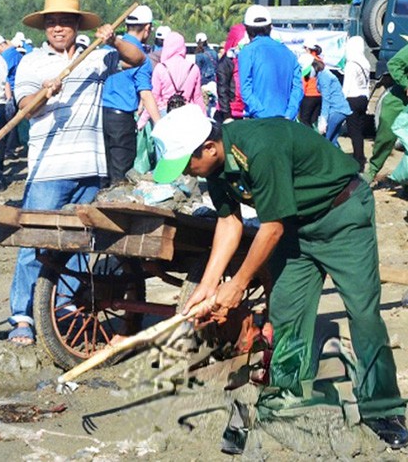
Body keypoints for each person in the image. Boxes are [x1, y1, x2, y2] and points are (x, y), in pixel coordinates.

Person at [152, 104, 407, 450]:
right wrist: (209, 284)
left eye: (186, 164)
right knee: (287, 314)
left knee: (363, 313)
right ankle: (286, 398)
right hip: (295, 227)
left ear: (208, 148)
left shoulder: (259, 148)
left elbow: (270, 229)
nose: (186, 173)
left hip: (341, 215)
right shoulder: (215, 169)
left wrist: (237, 285)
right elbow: (229, 224)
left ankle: (382, 409)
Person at [6, 0, 144, 345]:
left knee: (83, 245)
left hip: (91, 166)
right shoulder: (31, 63)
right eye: (51, 22)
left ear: (76, 26)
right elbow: (24, 108)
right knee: (33, 243)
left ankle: (65, 307)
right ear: (44, 28)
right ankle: (22, 317)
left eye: (65, 22)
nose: (57, 28)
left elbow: (138, 58)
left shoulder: (95, 59)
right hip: (49, 169)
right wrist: (44, 94)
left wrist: (113, 39)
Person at [101, 4, 159, 184]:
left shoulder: (105, 50)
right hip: (121, 120)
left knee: (105, 171)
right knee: (120, 174)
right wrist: (159, 123)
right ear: (148, 28)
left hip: (101, 117)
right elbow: (146, 94)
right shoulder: (140, 58)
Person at [238, 5, 303, 119]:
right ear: (270, 27)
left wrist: (261, 113)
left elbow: (245, 90)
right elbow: (297, 89)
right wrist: (289, 114)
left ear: (247, 28)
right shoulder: (289, 53)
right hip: (285, 121)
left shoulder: (247, 51)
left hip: (259, 122)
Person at [367, 42, 408, 183]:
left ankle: (405, 183)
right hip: (400, 99)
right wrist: (406, 84)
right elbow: (394, 64)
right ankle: (372, 171)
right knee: (386, 135)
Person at [298, 54, 351, 147]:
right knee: (332, 141)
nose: (308, 75)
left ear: (313, 66)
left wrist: (323, 120)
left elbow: (326, 99)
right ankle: (337, 159)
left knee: (324, 141)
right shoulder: (321, 75)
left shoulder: (324, 76)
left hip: (337, 110)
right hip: (339, 110)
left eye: (308, 71)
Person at [151, 32, 204, 115]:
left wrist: (142, 120)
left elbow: (154, 96)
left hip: (165, 114)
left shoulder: (161, 68)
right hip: (187, 114)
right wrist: (204, 117)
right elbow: (197, 97)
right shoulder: (193, 68)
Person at [342, 36, 371, 171]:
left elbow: (346, 86)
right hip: (363, 98)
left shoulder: (351, 64)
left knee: (354, 132)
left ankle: (358, 160)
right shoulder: (365, 62)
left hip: (352, 99)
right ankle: (361, 157)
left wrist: (341, 102)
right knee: (359, 130)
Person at [214, 24, 247, 123]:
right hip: (231, 113)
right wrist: (227, 115)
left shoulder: (250, 58)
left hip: (247, 112)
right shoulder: (228, 61)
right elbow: (222, 88)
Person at [299, 40, 323, 127]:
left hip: (308, 94)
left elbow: (304, 79)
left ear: (308, 49)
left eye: (305, 48)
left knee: (304, 121)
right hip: (319, 95)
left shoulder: (306, 60)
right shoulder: (320, 60)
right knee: (314, 121)